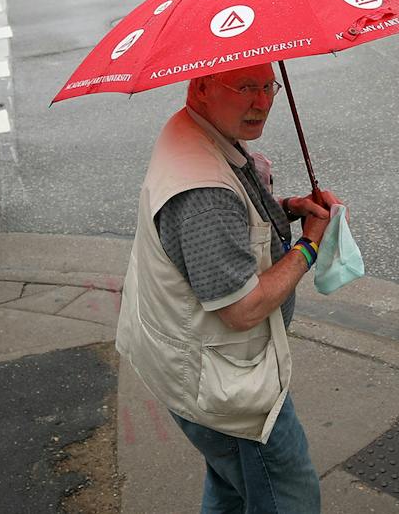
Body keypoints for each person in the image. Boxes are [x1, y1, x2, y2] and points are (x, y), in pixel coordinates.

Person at [117, 61, 341, 513]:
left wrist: (286, 208)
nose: (262, 102)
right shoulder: (202, 191)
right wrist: (309, 248)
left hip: (198, 370)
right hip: (227, 387)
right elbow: (241, 309)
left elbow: (224, 232)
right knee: (289, 497)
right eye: (244, 87)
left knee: (234, 491)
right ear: (201, 87)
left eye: (267, 86)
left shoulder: (196, 131)